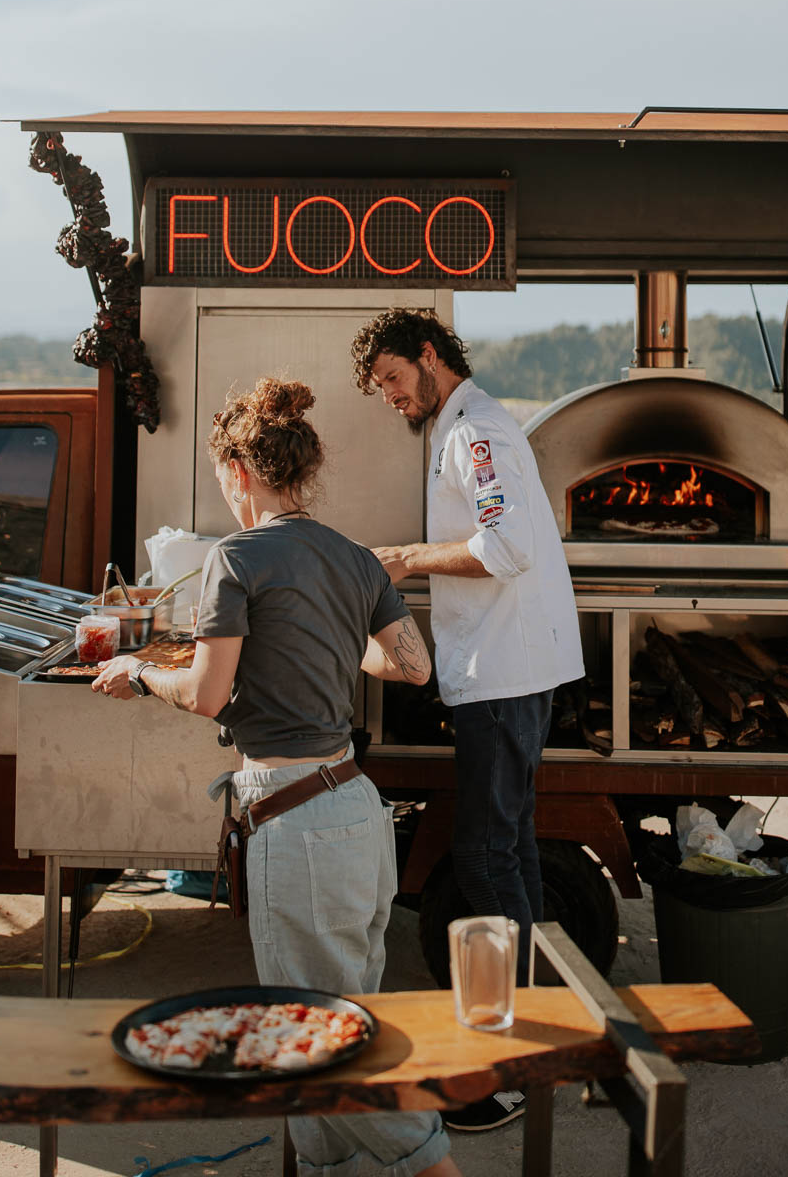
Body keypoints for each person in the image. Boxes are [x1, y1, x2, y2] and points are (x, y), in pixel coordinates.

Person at [93, 376, 461, 1177]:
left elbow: (206, 694)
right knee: (345, 1018)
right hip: (358, 812)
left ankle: (435, 1166)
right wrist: (330, 643)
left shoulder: (237, 557)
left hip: (296, 823)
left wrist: (137, 671)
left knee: (311, 1039)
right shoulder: (352, 557)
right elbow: (413, 664)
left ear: (239, 472)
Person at [350, 309, 585, 1136]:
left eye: (389, 377)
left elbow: (505, 547)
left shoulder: (476, 432)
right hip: (506, 669)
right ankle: (536, 1035)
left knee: (486, 853)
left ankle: (505, 1065)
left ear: (427, 356)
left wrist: (404, 558)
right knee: (509, 846)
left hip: (502, 672)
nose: (386, 396)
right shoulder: (467, 426)